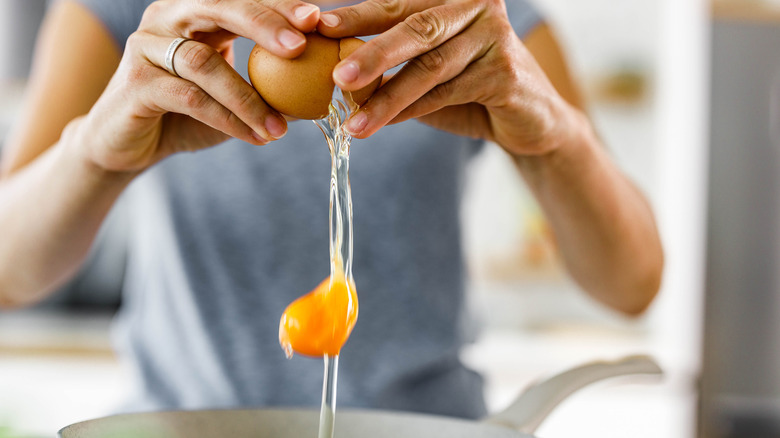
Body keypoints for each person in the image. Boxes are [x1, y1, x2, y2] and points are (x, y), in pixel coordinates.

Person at [0, 0, 663, 418]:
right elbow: (8, 272)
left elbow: (631, 282)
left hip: (422, 426)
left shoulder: (481, 15)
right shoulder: (128, 11)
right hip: (187, 422)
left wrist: (555, 137)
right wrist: (96, 150)